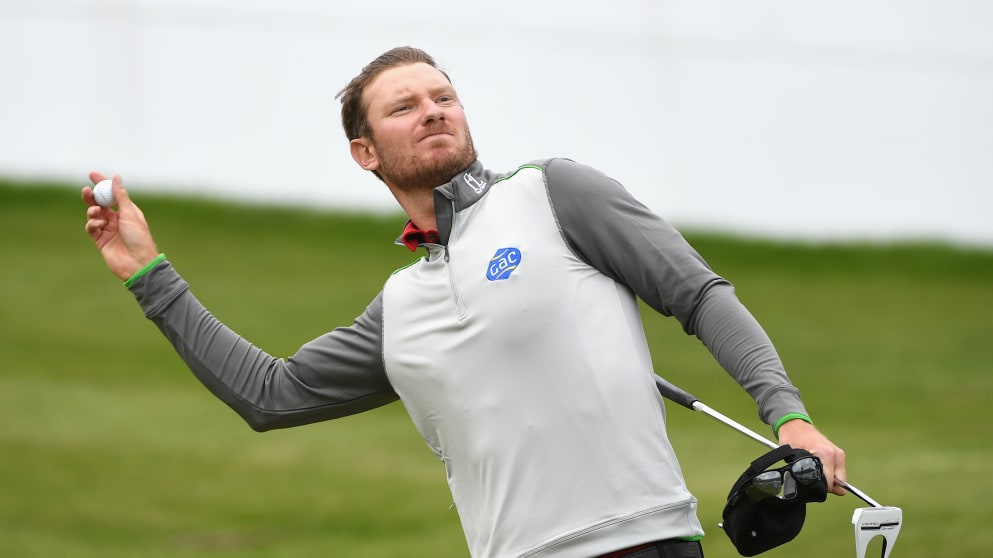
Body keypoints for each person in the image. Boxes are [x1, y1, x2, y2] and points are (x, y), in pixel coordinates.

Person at [82, 46, 847, 558]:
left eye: (443, 95)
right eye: (405, 107)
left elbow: (699, 296)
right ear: (366, 152)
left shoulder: (554, 193)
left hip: (641, 542)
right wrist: (148, 273)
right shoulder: (399, 305)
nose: (434, 110)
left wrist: (789, 417)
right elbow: (270, 396)